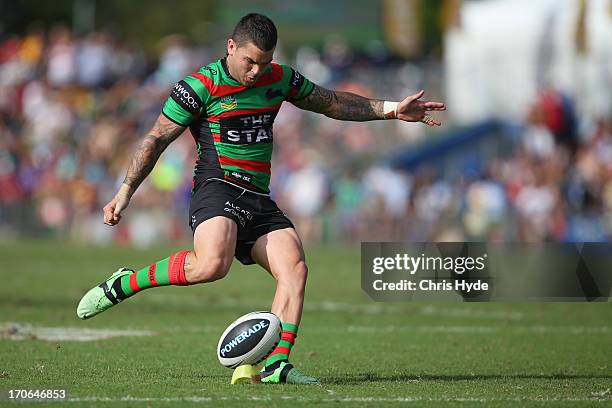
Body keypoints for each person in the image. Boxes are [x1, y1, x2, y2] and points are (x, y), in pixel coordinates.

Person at [77, 13, 446, 384]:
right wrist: (125, 192)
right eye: (249, 61)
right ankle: (125, 283)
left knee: (295, 268)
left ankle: (275, 366)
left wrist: (392, 109)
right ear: (231, 46)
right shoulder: (198, 87)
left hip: (257, 195)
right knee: (212, 266)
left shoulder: (280, 78)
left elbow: (331, 103)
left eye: (264, 62)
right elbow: (156, 139)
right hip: (217, 186)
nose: (256, 71)